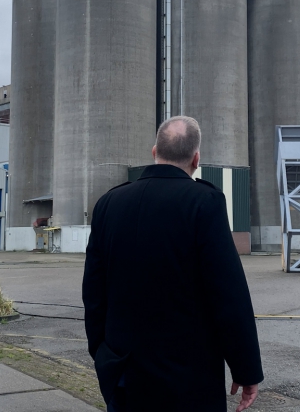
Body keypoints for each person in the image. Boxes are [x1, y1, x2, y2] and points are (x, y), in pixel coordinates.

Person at [82, 115, 264, 412]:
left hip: (122, 373)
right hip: (187, 382)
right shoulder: (204, 202)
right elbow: (228, 295)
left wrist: (102, 353)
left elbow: (93, 292)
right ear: (196, 159)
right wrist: (246, 370)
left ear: (154, 152)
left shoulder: (108, 204)